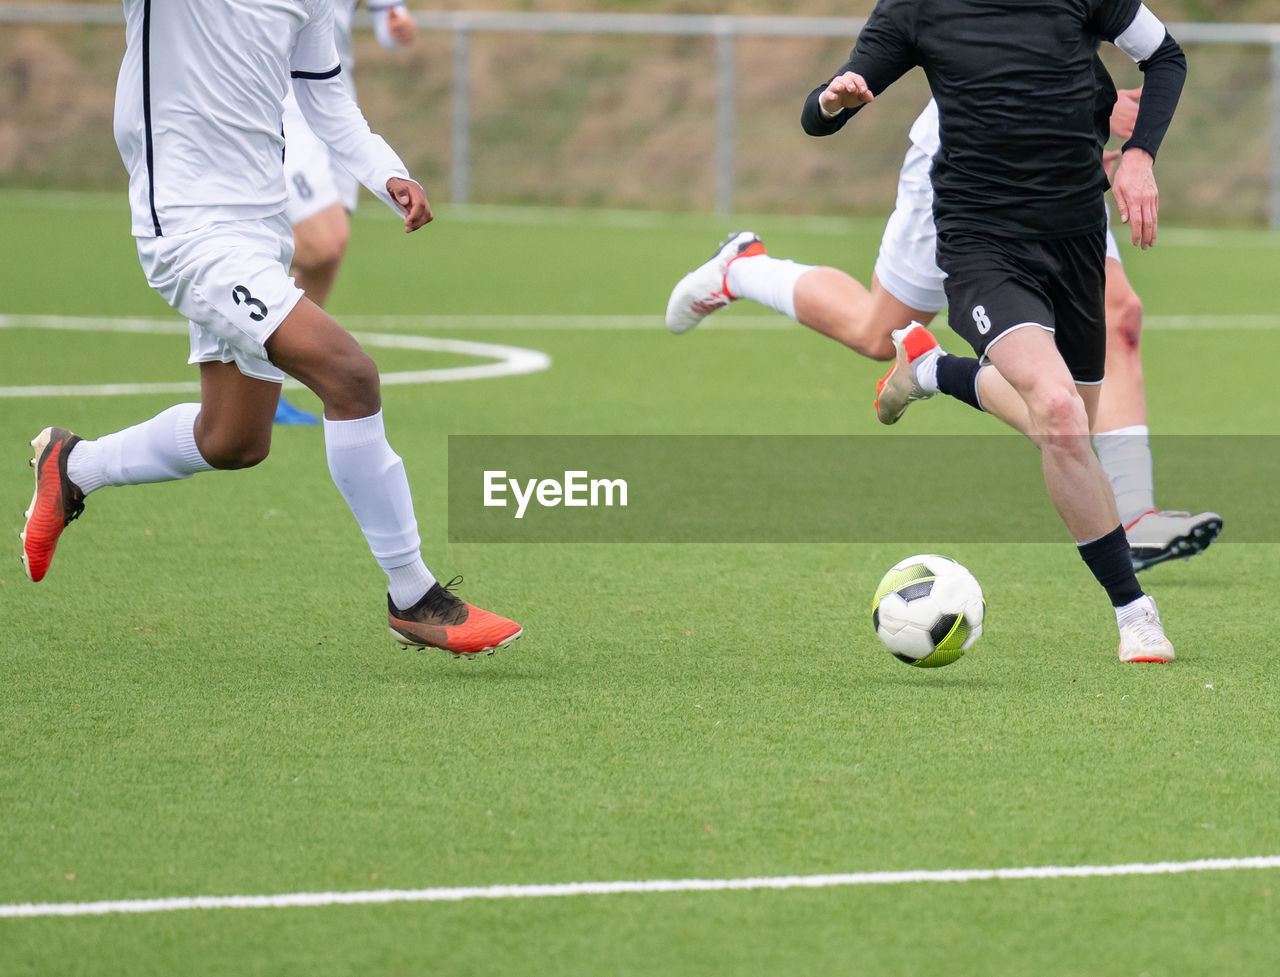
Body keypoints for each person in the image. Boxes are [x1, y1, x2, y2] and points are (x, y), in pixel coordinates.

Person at [20, 0, 521, 658]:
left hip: (261, 227)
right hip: (189, 228)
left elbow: (328, 100)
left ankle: (74, 465)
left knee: (232, 437)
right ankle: (414, 595)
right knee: (349, 374)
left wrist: (385, 169)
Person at [666, 91, 1221, 574]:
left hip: (1059, 162)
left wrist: (1093, 96)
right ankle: (742, 267)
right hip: (968, 154)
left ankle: (1135, 515)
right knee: (876, 330)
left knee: (1120, 314)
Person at [275, 0, 418, 426]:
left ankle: (267, 385)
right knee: (323, 240)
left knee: (328, 255)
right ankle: (216, 259)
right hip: (282, 99)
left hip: (335, 102)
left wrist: (398, 26)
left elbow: (386, 23)